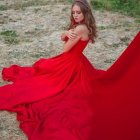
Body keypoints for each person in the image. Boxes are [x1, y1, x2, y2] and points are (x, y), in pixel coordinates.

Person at [0, 0, 140, 140]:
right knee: (44, 71)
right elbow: (62, 37)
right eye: (73, 12)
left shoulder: (80, 29)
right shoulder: (80, 26)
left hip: (71, 62)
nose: (75, 15)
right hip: (76, 60)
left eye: (78, 12)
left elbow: (66, 48)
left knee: (53, 85)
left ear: (85, 12)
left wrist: (67, 34)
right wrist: (66, 32)